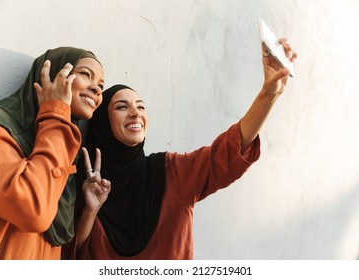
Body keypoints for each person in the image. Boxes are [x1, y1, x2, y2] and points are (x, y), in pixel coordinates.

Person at [64, 39, 297, 259]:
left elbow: (226, 153)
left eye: (141, 107)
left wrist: (269, 94)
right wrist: (90, 212)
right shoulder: (88, 186)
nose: (136, 113)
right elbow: (73, 259)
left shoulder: (170, 172)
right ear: (103, 123)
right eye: (122, 107)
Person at [0, 46, 105, 259]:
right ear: (52, 73)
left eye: (101, 85)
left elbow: (54, 242)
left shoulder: (62, 143)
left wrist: (89, 212)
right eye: (86, 74)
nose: (97, 89)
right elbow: (33, 212)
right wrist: (56, 112)